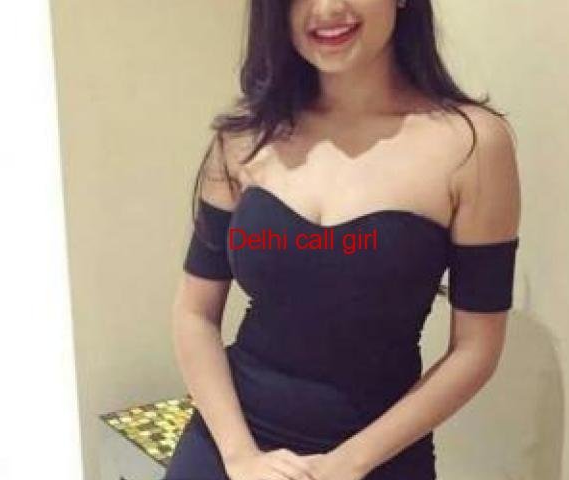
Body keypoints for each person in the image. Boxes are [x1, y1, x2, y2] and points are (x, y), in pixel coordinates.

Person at [165, 0, 521, 479]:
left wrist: (346, 465)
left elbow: (475, 349)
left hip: (376, 457)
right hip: (231, 444)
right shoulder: (246, 136)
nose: (327, 8)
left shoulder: (472, 144)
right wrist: (240, 457)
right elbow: (194, 313)